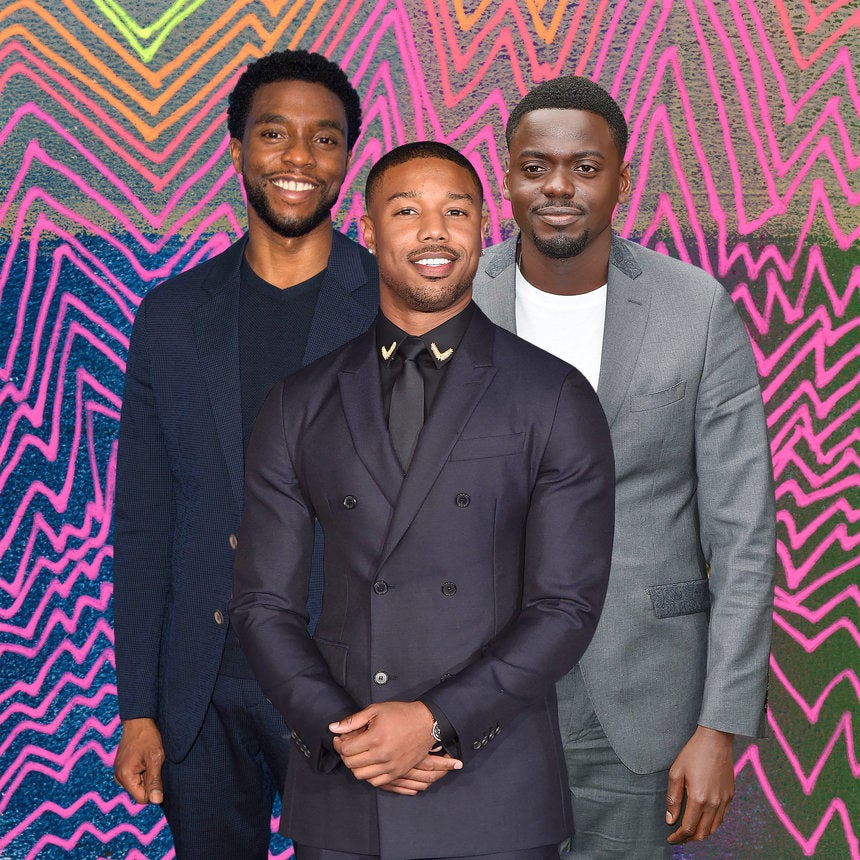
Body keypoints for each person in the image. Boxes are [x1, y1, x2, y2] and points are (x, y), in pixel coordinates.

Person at [228, 141, 616, 859]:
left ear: (485, 227)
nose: (434, 232)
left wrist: (435, 722)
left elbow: (565, 607)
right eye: (407, 211)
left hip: (493, 791)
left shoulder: (553, 395)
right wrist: (347, 736)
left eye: (456, 212)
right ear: (368, 230)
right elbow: (262, 605)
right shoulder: (297, 403)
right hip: (346, 791)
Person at [472, 76, 775, 857]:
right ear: (507, 178)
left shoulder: (695, 308)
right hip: (475, 694)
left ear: (622, 180)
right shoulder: (456, 296)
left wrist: (721, 724)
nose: (559, 187)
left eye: (585, 167)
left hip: (639, 704)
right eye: (535, 167)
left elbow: (744, 534)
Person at [112, 49, 379, 857]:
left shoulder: (397, 309)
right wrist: (139, 708)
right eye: (274, 133)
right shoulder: (171, 315)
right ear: (236, 150)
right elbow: (145, 521)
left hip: (352, 690)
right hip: (203, 691)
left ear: (346, 160)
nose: (299, 157)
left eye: (324, 139)